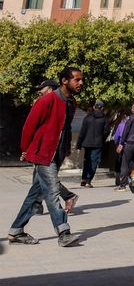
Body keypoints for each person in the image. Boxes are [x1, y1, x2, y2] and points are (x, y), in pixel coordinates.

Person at [8, 67, 84, 247]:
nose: (80, 83)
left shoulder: (71, 102)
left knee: (35, 195)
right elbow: (29, 126)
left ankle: (16, 231)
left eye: (81, 80)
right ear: (65, 81)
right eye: (77, 80)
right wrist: (26, 149)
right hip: (43, 154)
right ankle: (63, 232)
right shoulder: (47, 101)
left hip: (56, 154)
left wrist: (65, 149)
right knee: (52, 192)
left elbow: (64, 128)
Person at [31, 80, 79, 216]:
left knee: (44, 176)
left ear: (51, 89)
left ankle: (67, 197)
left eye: (42, 88)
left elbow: (59, 126)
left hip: (52, 145)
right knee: (41, 176)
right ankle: (37, 206)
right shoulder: (57, 101)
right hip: (51, 144)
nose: (39, 91)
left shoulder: (61, 103)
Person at [76, 101, 108, 188]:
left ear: (94, 107)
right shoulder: (104, 119)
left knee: (87, 161)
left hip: (87, 143)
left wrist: (78, 144)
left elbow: (82, 132)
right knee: (94, 162)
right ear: (102, 108)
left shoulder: (87, 118)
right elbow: (106, 132)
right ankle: (88, 181)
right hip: (98, 144)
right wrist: (102, 139)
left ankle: (83, 179)